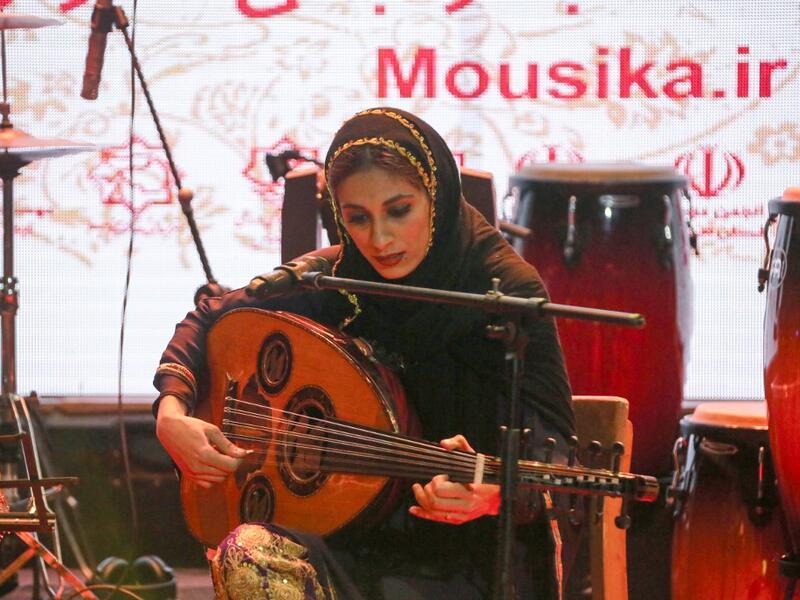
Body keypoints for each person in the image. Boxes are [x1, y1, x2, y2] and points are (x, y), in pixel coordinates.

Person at [153, 107, 575, 599]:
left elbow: (559, 459)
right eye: (357, 217)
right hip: (350, 542)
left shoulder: (504, 292)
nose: (380, 239)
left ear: (436, 198)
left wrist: (493, 494)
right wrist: (171, 414)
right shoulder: (338, 277)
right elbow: (211, 317)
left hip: (473, 560)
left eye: (399, 211)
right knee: (247, 553)